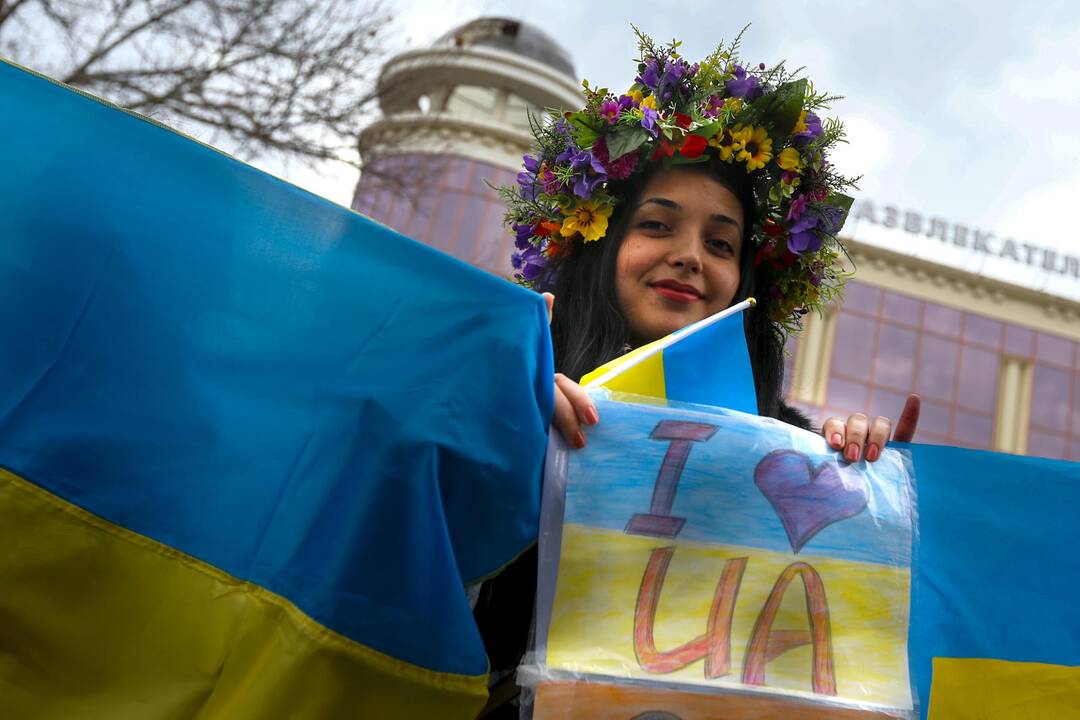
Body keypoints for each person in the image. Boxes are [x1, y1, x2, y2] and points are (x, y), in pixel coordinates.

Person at [476, 30, 919, 717]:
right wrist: (494, 435)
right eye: (657, 226)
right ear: (600, 243)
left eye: (720, 243)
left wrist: (882, 491)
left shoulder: (798, 449)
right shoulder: (507, 393)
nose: (690, 257)